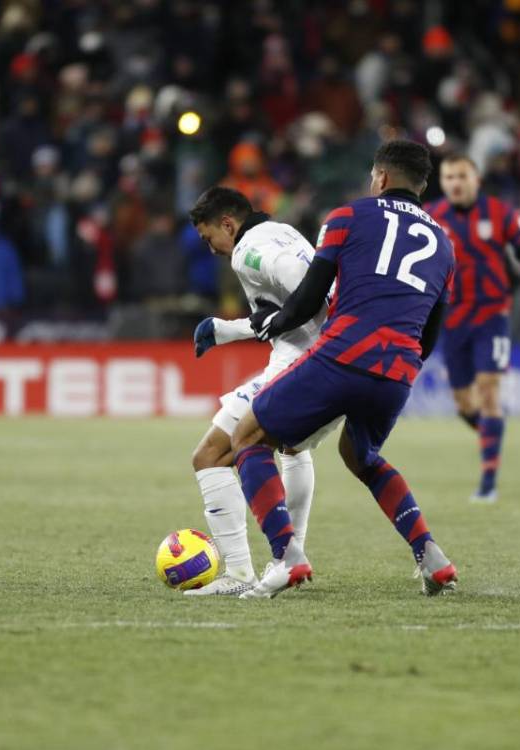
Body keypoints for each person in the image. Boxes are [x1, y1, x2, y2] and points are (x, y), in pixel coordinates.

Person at [230, 139, 459, 599]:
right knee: (361, 457)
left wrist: (275, 322)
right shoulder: (444, 245)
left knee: (248, 437)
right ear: (422, 185)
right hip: (398, 371)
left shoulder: (347, 216)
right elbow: (431, 333)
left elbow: (309, 297)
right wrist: (400, 368)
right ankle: (431, 556)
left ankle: (286, 556)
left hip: (343, 355)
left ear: (381, 177)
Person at [184, 187, 331, 596]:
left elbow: (305, 288)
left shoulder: (248, 250)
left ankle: (245, 572)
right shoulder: (285, 232)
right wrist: (227, 329)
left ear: (227, 224)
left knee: (210, 455)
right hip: (327, 364)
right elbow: (286, 308)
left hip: (297, 366)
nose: (211, 248)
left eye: (209, 237)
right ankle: (290, 558)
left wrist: (284, 322)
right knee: (293, 448)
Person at [424, 154, 520, 503]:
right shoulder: (431, 217)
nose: (455, 183)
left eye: (462, 176)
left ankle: (488, 483)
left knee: (489, 390)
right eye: (449, 177)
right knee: (464, 403)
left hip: (492, 314)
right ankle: (494, 433)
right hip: (453, 318)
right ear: (442, 182)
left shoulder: (501, 214)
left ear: (476, 179)